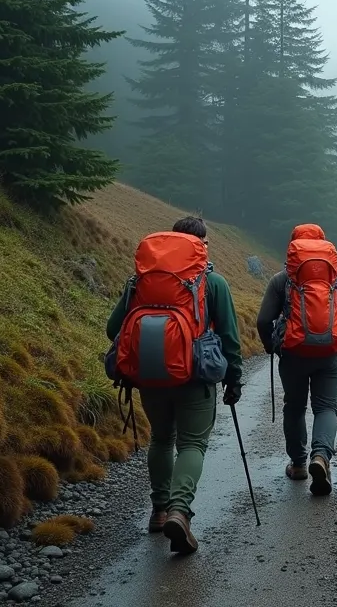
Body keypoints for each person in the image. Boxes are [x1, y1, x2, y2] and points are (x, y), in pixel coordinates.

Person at [106, 216, 243, 554]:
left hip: (151, 377)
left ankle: (158, 510)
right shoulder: (214, 283)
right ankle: (180, 512)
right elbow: (229, 337)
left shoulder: (139, 281)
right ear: (200, 246)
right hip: (195, 377)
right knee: (193, 444)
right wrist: (234, 378)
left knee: (162, 438)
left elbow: (114, 329)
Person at [256, 224, 337, 496]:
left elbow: (262, 321)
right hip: (329, 354)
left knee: (294, 406)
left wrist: (272, 346)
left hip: (293, 353)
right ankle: (321, 457)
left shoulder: (282, 280)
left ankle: (298, 464)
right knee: (326, 406)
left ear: (293, 249)